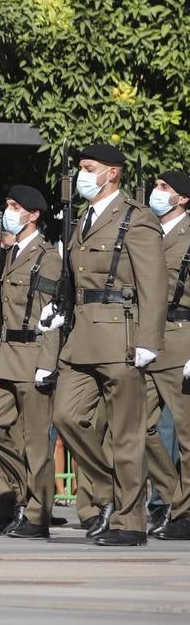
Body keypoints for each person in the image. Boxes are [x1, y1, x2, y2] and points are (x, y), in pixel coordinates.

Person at [52, 144, 165, 547]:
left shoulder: (137, 218)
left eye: (89, 168)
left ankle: (130, 522)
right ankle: (109, 494)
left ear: (112, 173)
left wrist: (150, 340)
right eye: (81, 167)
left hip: (122, 336)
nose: (82, 174)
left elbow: (154, 284)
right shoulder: (83, 218)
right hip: (82, 337)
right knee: (65, 414)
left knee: (126, 435)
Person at [0, 185, 61, 538]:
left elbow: (53, 314)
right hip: (4, 356)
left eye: (14, 206)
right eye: (7, 205)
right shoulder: (8, 256)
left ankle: (38, 516)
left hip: (33, 354)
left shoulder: (47, 257)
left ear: (34, 215)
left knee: (35, 440)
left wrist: (48, 360)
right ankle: (27, 491)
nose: (7, 212)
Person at [146, 171, 190, 540]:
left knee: (188, 435)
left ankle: (184, 513)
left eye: (165, 189)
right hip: (146, 341)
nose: (155, 193)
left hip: (182, 339)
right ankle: (178, 496)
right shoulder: (145, 233)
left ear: (184, 199)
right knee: (134, 428)